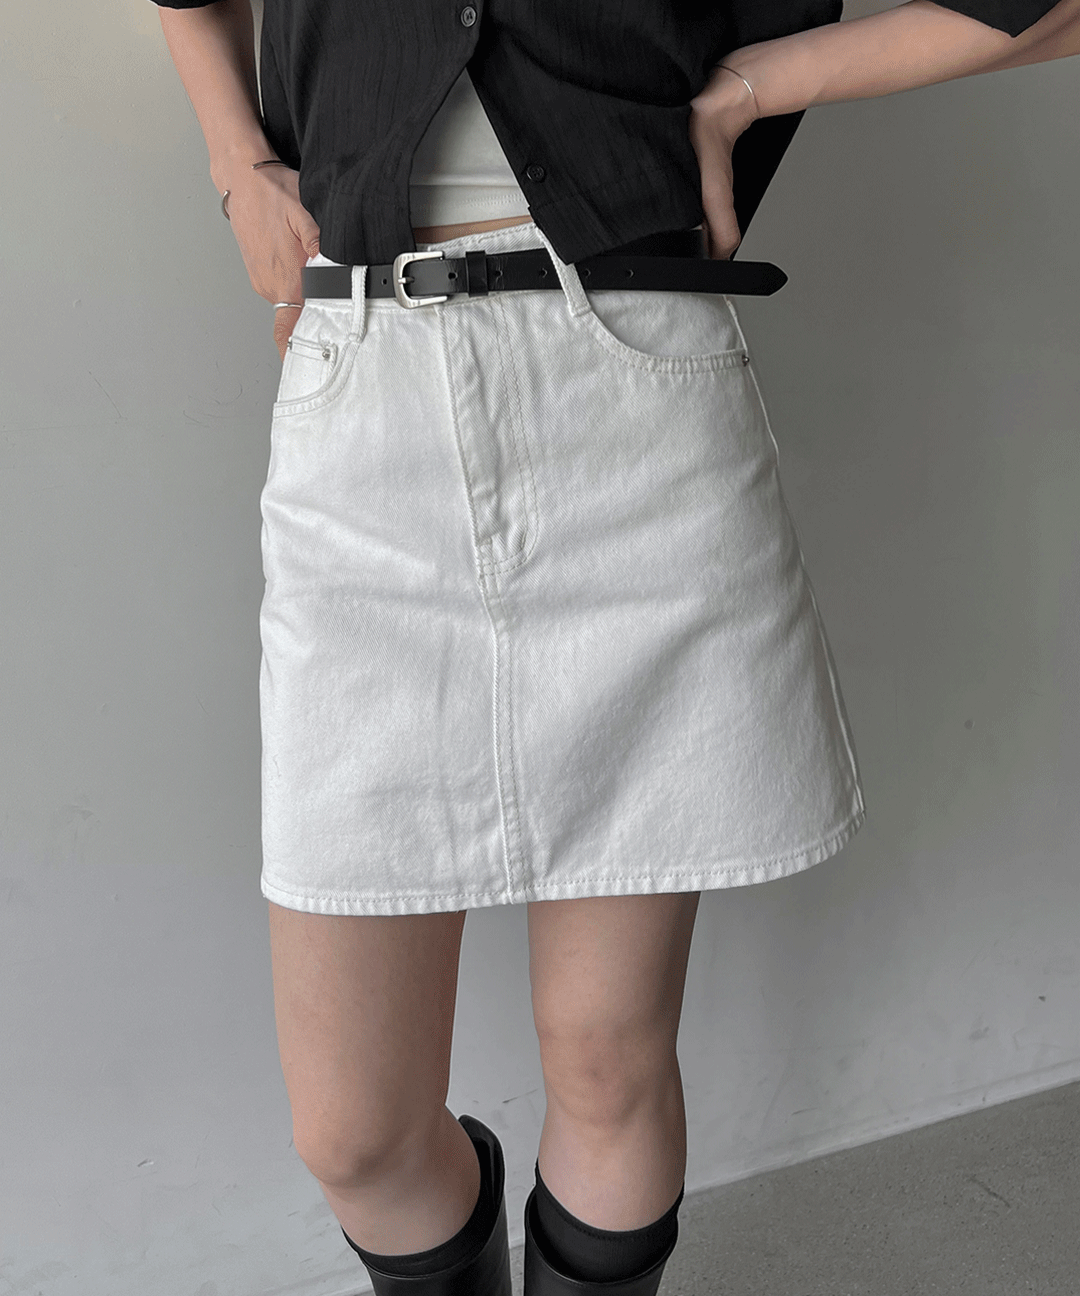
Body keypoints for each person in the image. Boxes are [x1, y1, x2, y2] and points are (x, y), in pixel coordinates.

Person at [149, 3, 1078, 1293]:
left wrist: (754, 85)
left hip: (635, 394)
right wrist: (235, 159)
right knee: (354, 1133)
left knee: (607, 1059)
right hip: (363, 398)